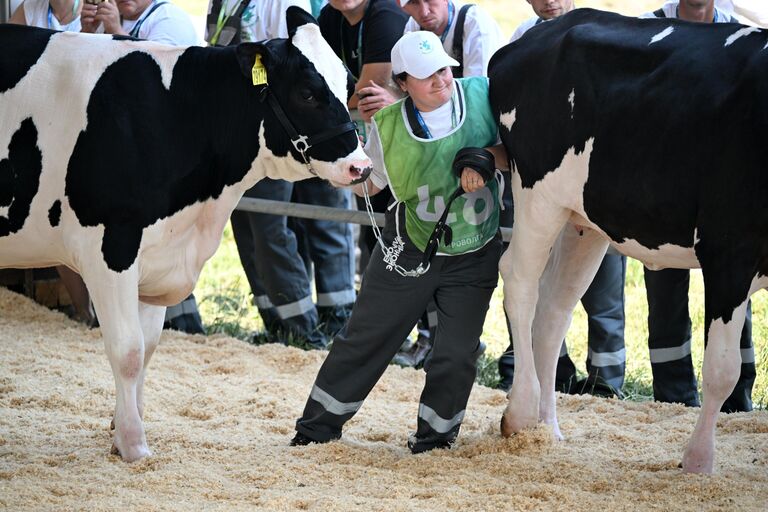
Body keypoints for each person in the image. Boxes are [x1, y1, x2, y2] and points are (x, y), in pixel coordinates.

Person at [292, 31, 507, 453]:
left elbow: (521, 150)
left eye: (445, 69)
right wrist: (346, 172)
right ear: (403, 83)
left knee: (457, 352)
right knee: (366, 338)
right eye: (428, 76)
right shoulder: (387, 125)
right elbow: (372, 184)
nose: (442, 80)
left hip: (474, 251)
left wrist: (489, 157)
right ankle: (315, 431)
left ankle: (435, 439)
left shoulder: (483, 95)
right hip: (408, 249)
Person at [496, 0, 628, 398]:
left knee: (603, 287)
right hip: (545, 181)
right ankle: (549, 373)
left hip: (601, 178)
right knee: (538, 278)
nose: (550, 0)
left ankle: (607, 381)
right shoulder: (522, 40)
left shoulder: (606, 35)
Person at [639, 0, 756, 413]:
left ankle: (737, 402)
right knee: (666, 294)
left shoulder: (740, 33)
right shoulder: (645, 31)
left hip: (729, 187)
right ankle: (673, 401)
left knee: (733, 291)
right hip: (663, 187)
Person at [81, 0, 204, 334]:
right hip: (129, 151)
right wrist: (89, 34)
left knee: (165, 239)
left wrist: (118, 33)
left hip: (172, 153)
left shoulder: (169, 19)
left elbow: (158, 80)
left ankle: (184, 322)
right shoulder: (126, 20)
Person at [80, 0, 198, 44]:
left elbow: (153, 72)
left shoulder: (170, 17)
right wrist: (87, 33)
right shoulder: (109, 15)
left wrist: (116, 31)